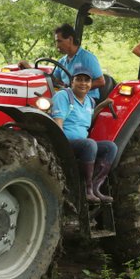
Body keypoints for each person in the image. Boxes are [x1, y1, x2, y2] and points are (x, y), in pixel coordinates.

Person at [51, 65, 117, 204]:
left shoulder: (90, 101)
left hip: (83, 144)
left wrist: (102, 105)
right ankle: (86, 190)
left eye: (86, 80)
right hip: (65, 142)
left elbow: (88, 121)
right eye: (79, 79)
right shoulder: (63, 96)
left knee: (110, 147)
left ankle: (95, 187)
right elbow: (58, 123)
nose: (83, 83)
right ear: (72, 82)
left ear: (91, 84)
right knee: (90, 144)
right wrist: (61, 146)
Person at [18, 24, 105, 100]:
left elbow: (101, 81)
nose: (57, 45)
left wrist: (77, 89)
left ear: (70, 39)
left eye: (59, 41)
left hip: (87, 99)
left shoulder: (87, 58)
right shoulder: (62, 61)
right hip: (68, 98)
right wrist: (30, 69)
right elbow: (54, 80)